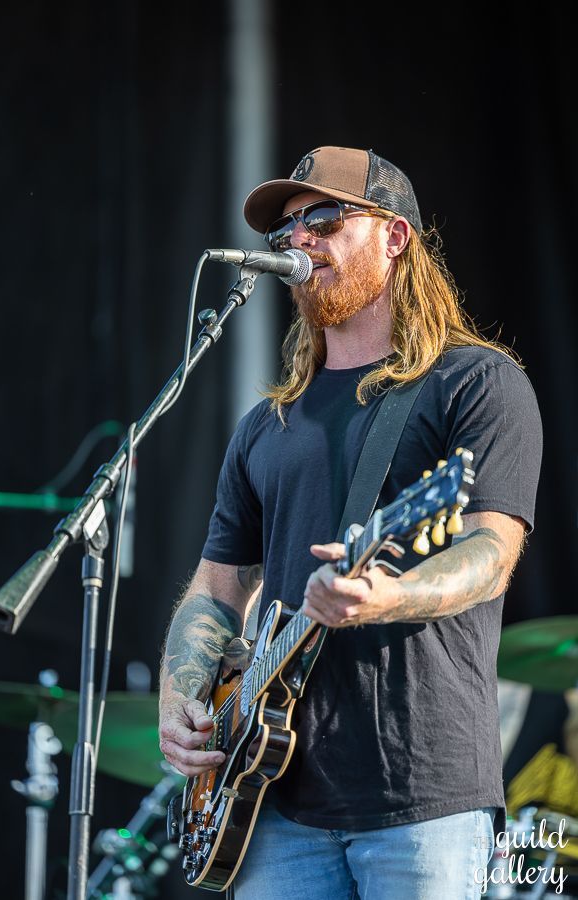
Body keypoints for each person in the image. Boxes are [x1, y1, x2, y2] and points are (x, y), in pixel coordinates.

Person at [159, 146, 543, 899]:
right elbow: (216, 585)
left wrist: (388, 597)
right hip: (273, 804)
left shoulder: (476, 384)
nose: (301, 240)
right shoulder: (266, 426)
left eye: (325, 219)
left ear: (394, 237)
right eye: (289, 231)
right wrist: (184, 696)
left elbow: (491, 551)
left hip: (419, 793)